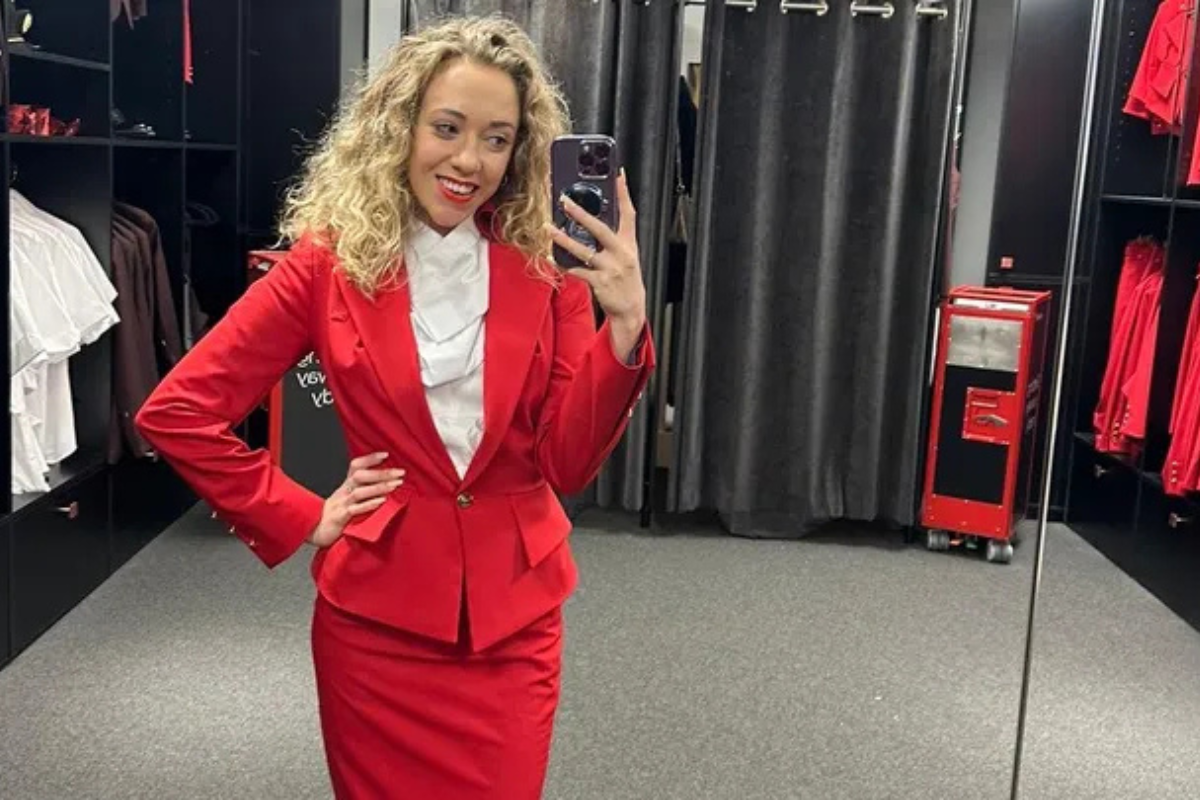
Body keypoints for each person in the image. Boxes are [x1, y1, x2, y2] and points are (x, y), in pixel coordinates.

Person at [134, 15, 654, 799]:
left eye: (497, 138)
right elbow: (177, 413)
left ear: (521, 153)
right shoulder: (328, 263)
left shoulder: (546, 270)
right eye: (447, 127)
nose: (468, 160)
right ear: (401, 125)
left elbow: (567, 462)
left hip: (513, 629)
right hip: (376, 628)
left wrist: (624, 324)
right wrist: (301, 514)